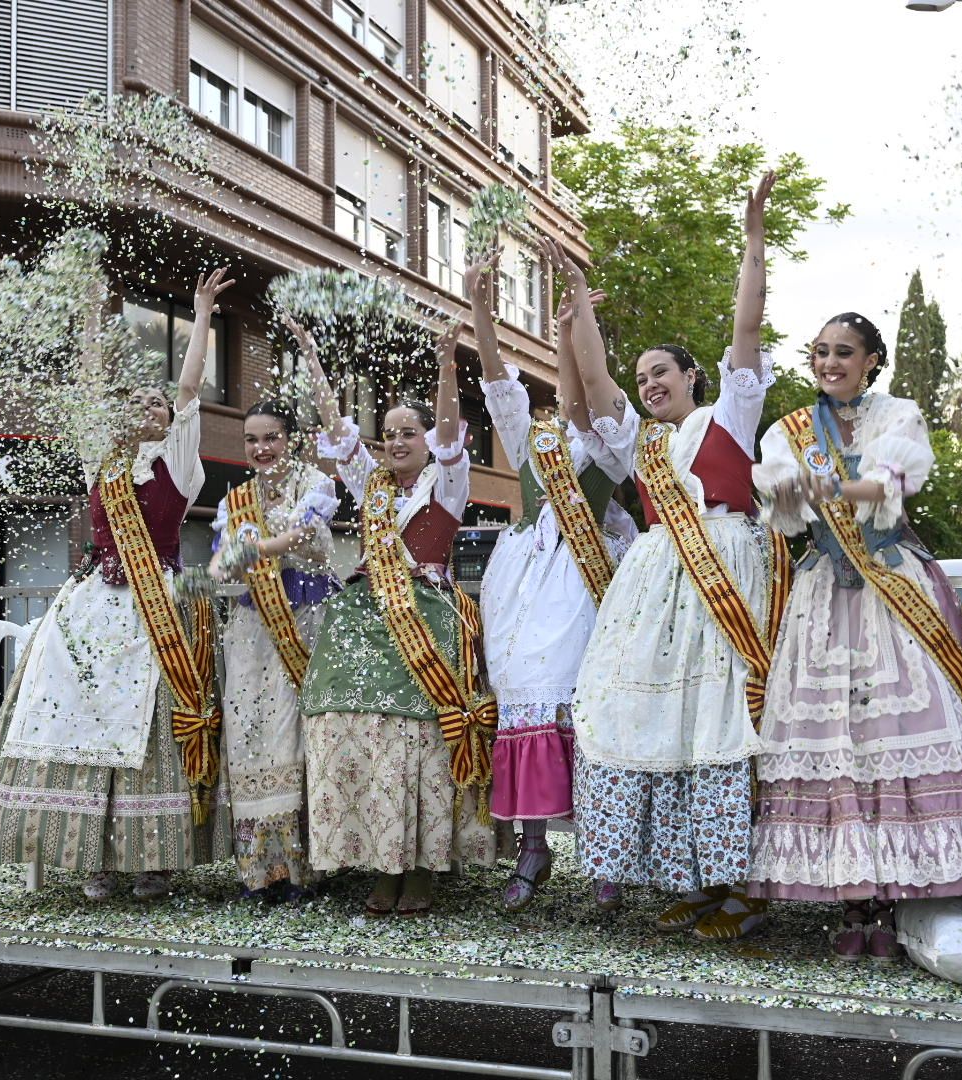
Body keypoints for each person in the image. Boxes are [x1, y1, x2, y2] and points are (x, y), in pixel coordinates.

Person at [561, 173, 787, 941]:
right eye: (644, 375)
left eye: (663, 372)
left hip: (723, 570)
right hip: (658, 586)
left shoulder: (733, 413)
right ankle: (694, 879)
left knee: (723, 717)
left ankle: (746, 888)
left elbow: (749, 329)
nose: (650, 383)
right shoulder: (641, 444)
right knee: (666, 721)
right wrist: (577, 302)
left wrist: (753, 244)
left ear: (695, 376)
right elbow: (593, 384)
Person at [747, 311, 962, 960]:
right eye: (820, 352)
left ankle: (895, 903)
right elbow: (780, 509)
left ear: (872, 359)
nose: (830, 362)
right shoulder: (789, 430)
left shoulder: (899, 414)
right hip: (822, 595)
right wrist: (793, 491)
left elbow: (892, 484)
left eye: (844, 352)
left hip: (891, 586)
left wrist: (825, 485)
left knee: (892, 735)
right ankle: (852, 902)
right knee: (833, 737)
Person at [0, 268, 235, 902]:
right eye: (136, 401)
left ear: (171, 418)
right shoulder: (104, 463)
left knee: (155, 730)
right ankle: (91, 854)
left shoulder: (180, 465)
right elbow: (87, 384)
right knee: (73, 718)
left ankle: (154, 860)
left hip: (157, 611)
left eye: (157, 403)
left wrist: (200, 316)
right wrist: (89, 309)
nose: (149, 407)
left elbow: (192, 384)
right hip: (90, 611)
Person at [296, 318, 504, 918]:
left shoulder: (449, 480)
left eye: (407, 431)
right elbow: (338, 428)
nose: (396, 441)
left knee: (421, 740)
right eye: (388, 434)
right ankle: (378, 856)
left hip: (425, 612)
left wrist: (445, 367)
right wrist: (312, 355)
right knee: (357, 725)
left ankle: (421, 867)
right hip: (367, 616)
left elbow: (446, 432)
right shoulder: (373, 486)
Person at [465, 248, 636, 912]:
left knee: (583, 710)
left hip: (582, 582)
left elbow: (587, 389)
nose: (571, 403)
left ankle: (603, 849)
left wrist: (576, 320)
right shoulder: (538, 440)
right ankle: (533, 844)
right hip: (523, 585)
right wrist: (480, 306)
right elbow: (498, 382)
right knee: (527, 701)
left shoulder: (608, 445)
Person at [209, 390, 341, 903]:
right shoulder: (233, 501)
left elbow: (300, 535)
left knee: (297, 733)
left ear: (293, 441)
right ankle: (260, 868)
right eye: (252, 440)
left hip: (306, 621)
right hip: (250, 628)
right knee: (249, 736)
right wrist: (218, 568)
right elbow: (223, 567)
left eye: (272, 438)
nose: (262, 448)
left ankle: (304, 867)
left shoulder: (316, 485)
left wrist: (254, 548)